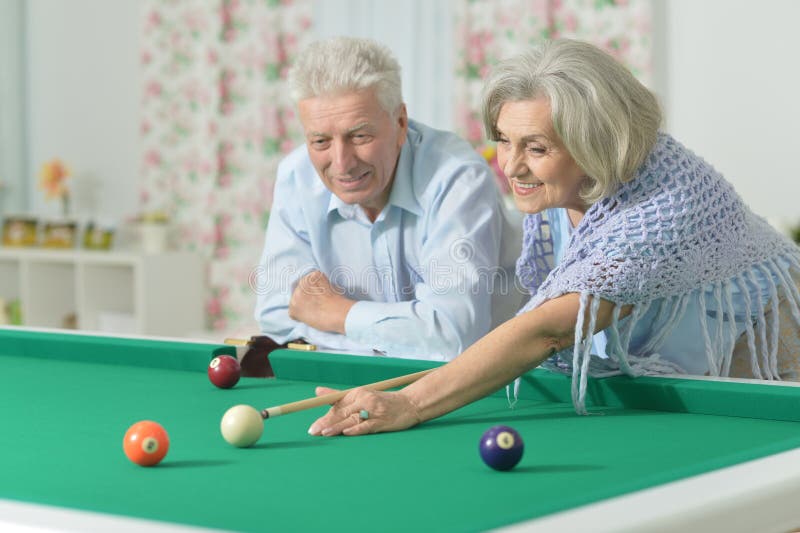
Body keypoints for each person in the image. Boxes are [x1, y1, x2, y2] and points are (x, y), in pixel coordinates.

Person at [307, 38, 800, 437]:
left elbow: (551, 328)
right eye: (503, 140)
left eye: (536, 148)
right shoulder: (558, 187)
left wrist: (410, 403)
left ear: (596, 143)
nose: (512, 166)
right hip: (693, 372)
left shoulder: (667, 204)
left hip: (769, 371)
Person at [253, 37, 522, 361]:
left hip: (495, 388)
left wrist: (339, 315)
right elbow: (278, 317)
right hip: (360, 386)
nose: (342, 163)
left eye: (360, 136)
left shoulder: (458, 177)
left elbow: (453, 337)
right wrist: (404, 335)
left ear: (400, 123)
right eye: (320, 141)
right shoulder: (296, 177)